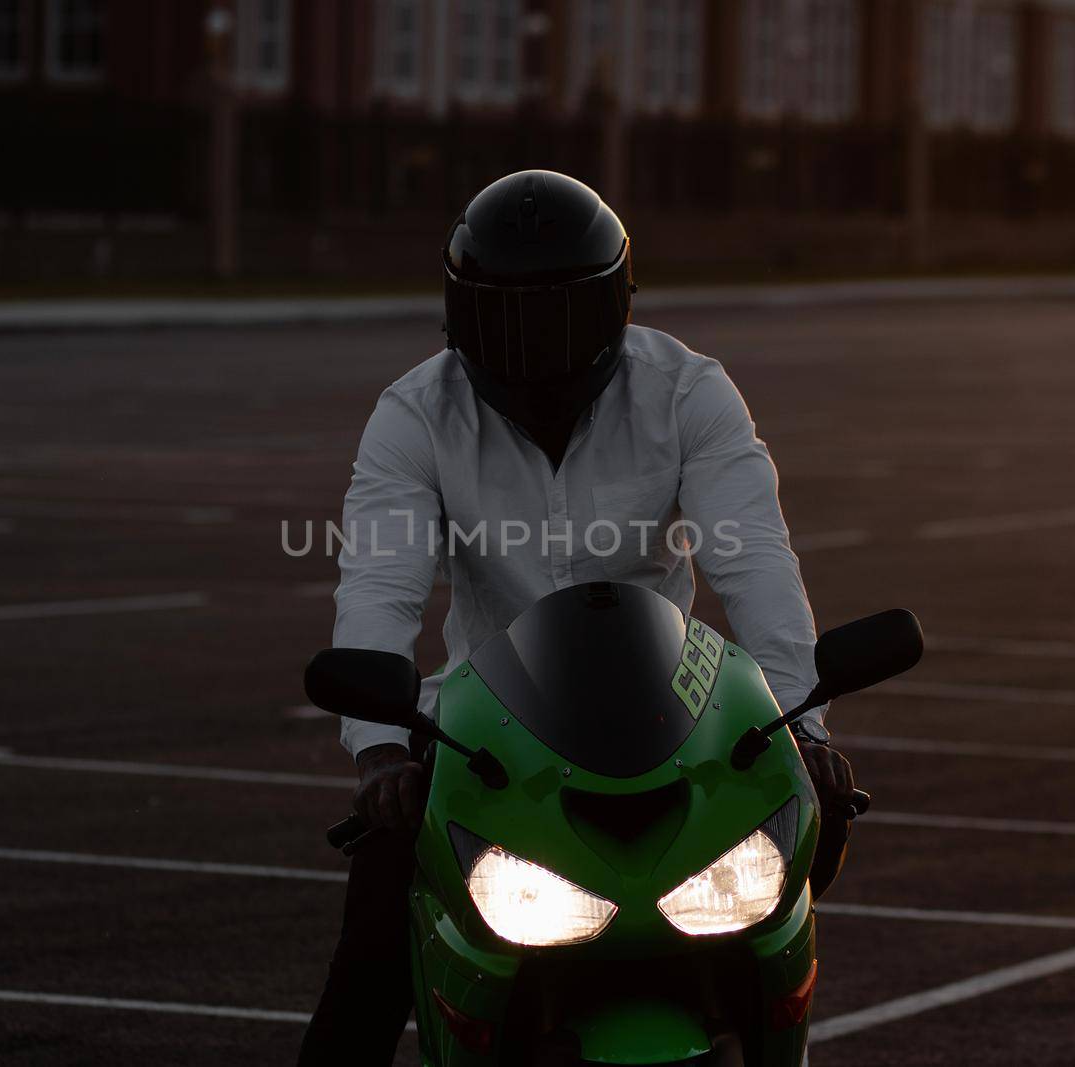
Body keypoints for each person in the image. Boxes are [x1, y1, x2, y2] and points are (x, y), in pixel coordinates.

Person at [298, 170, 853, 1066]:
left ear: (613, 306)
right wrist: (380, 753)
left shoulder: (687, 393)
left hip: (675, 724)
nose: (531, 345)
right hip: (484, 741)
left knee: (765, 932)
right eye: (505, 315)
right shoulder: (414, 412)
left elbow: (753, 559)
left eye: (556, 314)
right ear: (460, 313)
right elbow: (379, 584)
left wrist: (806, 724)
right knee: (367, 971)